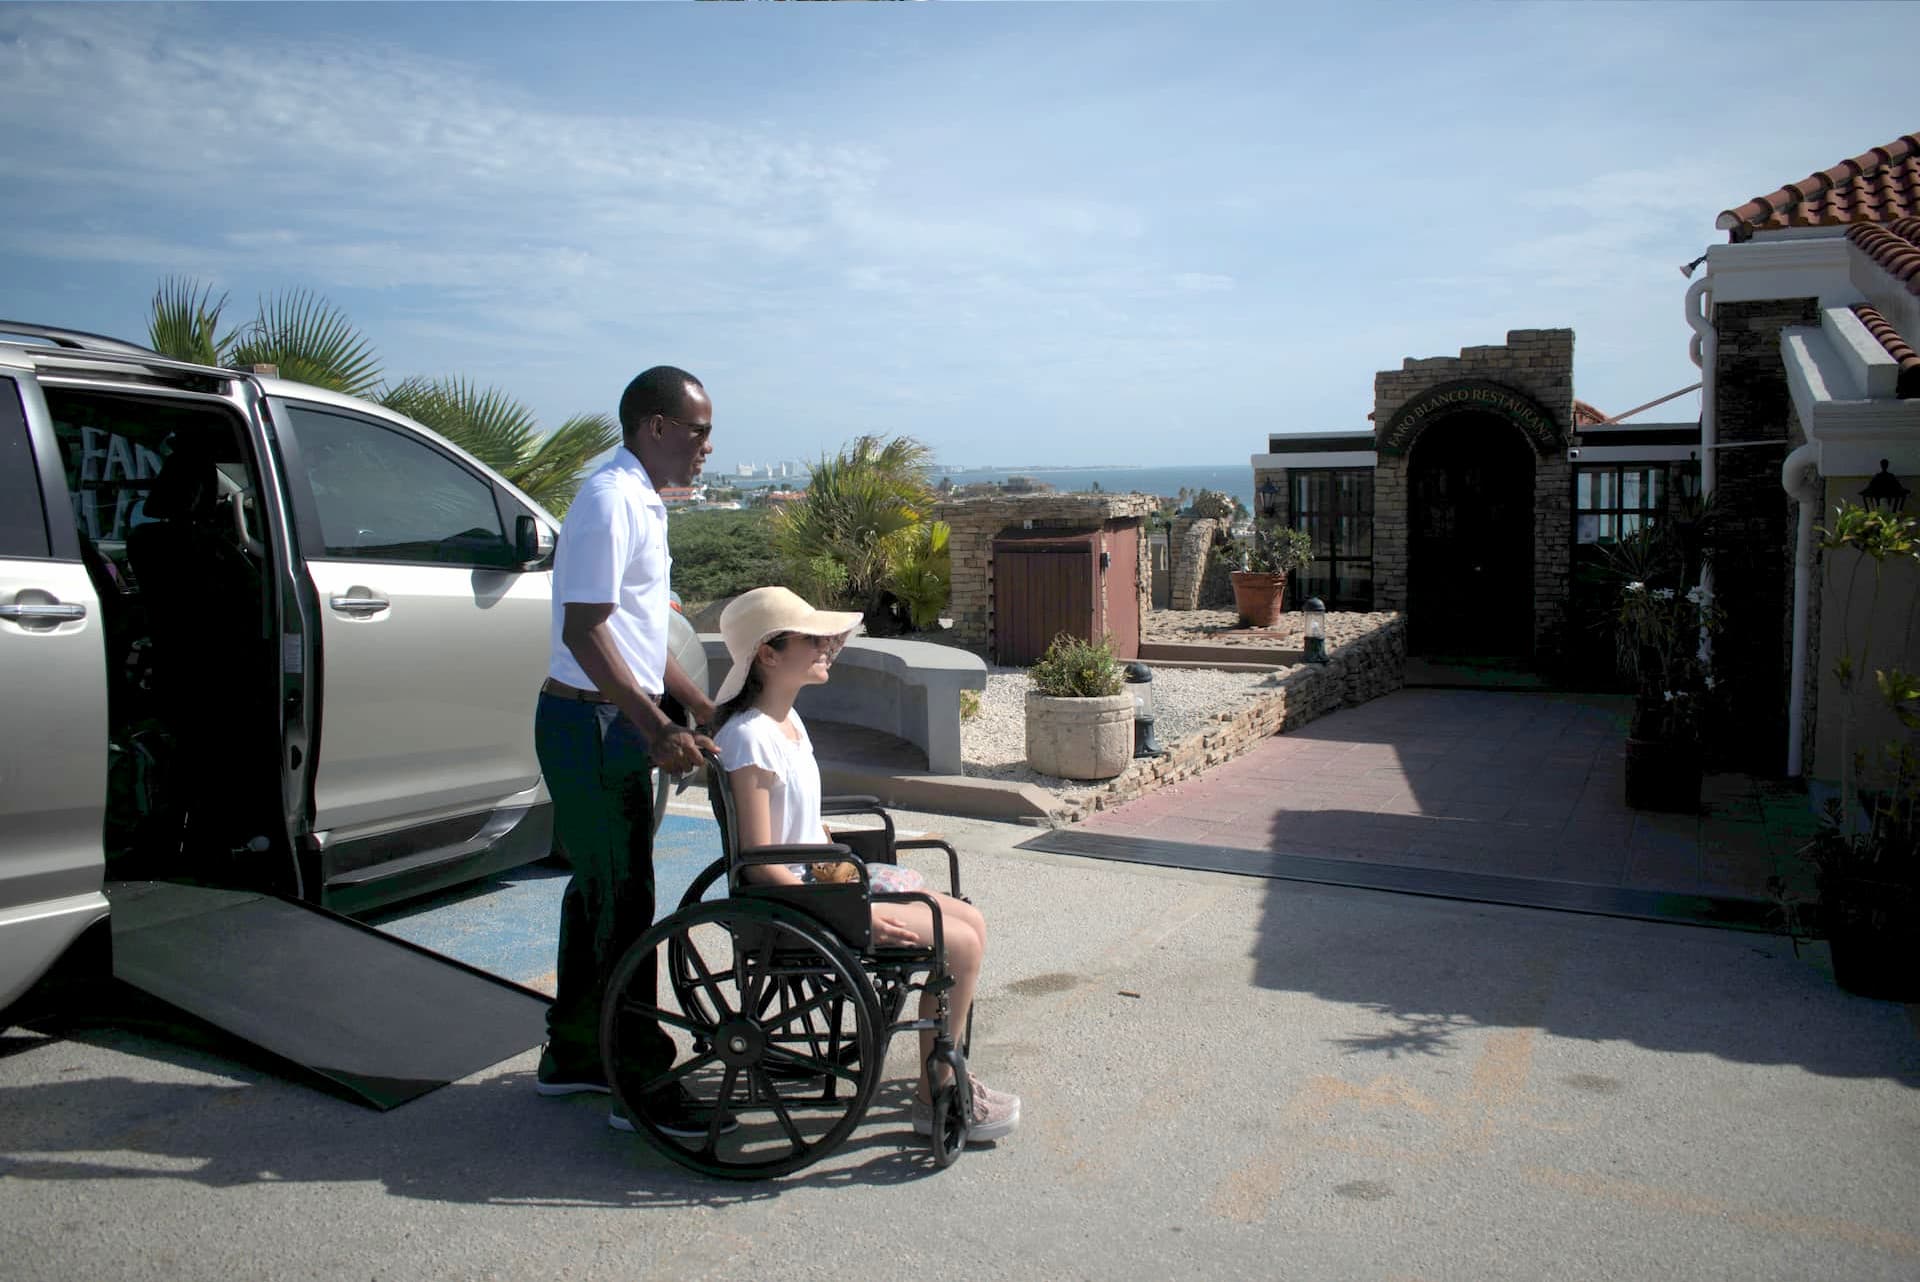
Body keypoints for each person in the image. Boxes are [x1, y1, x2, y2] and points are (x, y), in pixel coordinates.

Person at [710, 586, 1021, 1144]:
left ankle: (948, 1072)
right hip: (803, 900)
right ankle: (939, 1094)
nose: (829, 646)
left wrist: (834, 852)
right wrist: (860, 917)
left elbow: (798, 825)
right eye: (813, 639)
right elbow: (759, 860)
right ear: (768, 654)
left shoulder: (787, 723)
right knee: (963, 944)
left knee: (971, 924)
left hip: (824, 883)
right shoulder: (750, 739)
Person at [533, 364, 723, 1138]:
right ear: (654, 427)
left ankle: (575, 1053)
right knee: (623, 902)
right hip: (588, 726)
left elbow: (642, 632)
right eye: (698, 431)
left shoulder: (647, 501)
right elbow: (587, 629)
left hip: (607, 720)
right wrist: (655, 727)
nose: (708, 446)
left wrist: (706, 707)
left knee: (599, 892)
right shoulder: (610, 501)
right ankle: (635, 1078)